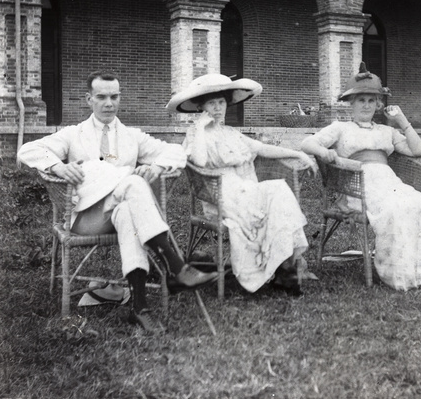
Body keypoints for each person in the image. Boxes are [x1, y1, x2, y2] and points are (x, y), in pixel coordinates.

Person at [18, 70, 218, 333]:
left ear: (120, 98)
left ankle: (140, 308)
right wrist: (57, 166)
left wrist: (157, 166)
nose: (108, 103)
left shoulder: (132, 136)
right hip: (88, 218)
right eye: (101, 97)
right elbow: (27, 150)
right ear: (89, 99)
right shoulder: (73, 134)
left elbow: (175, 150)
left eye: (114, 96)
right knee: (133, 181)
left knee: (127, 212)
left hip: (125, 212)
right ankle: (175, 266)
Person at [300, 63, 421, 291]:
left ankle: (420, 272)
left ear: (378, 104)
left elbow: (417, 151)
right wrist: (323, 151)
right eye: (361, 100)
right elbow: (307, 142)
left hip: (388, 182)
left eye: (371, 100)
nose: (366, 105)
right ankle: (394, 274)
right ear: (352, 103)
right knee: (394, 208)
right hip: (355, 185)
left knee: (419, 203)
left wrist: (402, 121)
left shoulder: (386, 131)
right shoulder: (340, 128)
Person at [166, 73, 315, 295]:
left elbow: (262, 148)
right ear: (202, 107)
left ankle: (286, 269)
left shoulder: (231, 133)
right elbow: (198, 161)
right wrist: (199, 128)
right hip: (218, 193)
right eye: (211, 103)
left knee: (279, 191)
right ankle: (281, 270)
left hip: (246, 188)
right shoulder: (196, 134)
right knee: (271, 199)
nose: (218, 108)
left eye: (221, 102)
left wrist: (299, 154)